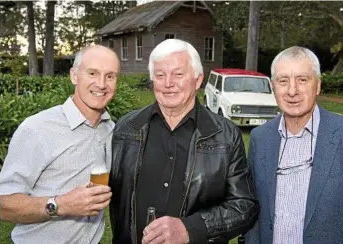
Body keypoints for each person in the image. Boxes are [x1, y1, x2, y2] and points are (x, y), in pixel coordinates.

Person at [109, 39, 259, 244]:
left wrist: (191, 228)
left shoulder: (225, 135)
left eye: (178, 74)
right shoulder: (125, 129)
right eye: (160, 75)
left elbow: (244, 205)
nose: (168, 83)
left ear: (197, 80)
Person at [0, 45, 119, 244]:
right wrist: (61, 205)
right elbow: (2, 204)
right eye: (92, 73)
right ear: (74, 76)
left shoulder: (112, 130)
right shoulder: (37, 129)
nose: (101, 84)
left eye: (110, 76)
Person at [245, 46, 343, 244]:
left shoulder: (339, 134)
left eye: (302, 80)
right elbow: (253, 210)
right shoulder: (260, 139)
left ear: (318, 86)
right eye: (283, 81)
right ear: (273, 87)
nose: (292, 91)